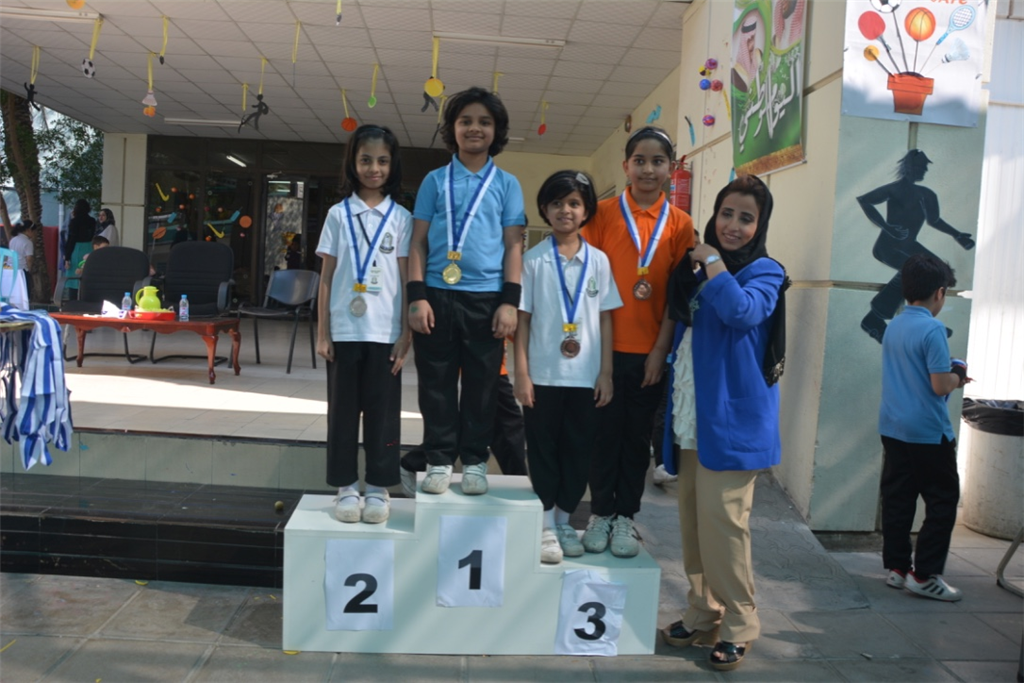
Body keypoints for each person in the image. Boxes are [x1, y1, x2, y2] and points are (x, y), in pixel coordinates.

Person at [660, 174, 788, 672]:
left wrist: (711, 260)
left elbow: (740, 312)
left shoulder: (765, 271)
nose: (733, 225)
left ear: (761, 225)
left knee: (725, 525)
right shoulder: (696, 271)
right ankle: (702, 610)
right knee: (693, 519)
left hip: (734, 420)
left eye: (745, 218)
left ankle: (740, 621)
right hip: (696, 411)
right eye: (726, 214)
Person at [581, 126, 695, 558]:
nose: (648, 169)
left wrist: (660, 351)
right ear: (625, 165)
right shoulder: (601, 213)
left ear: (670, 167)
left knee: (635, 440)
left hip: (649, 354)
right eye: (640, 161)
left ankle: (626, 517)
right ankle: (599, 513)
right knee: (602, 437)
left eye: (658, 161)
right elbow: (586, 283)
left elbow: (676, 298)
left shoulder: (680, 224)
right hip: (602, 352)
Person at [408, 86, 526, 496]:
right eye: (465, 121)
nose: (474, 128)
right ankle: (439, 459)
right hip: (436, 296)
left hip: (487, 299)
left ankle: (475, 461)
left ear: (497, 130)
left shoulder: (506, 184)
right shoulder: (434, 181)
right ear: (452, 128)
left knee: (483, 386)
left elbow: (513, 245)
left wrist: (509, 302)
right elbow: (417, 242)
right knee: (435, 384)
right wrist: (417, 296)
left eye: (484, 122)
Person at [515, 170, 621, 564]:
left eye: (574, 203)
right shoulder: (532, 260)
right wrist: (521, 374)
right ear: (544, 209)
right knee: (542, 450)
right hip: (543, 376)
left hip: (586, 378)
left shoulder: (599, 262)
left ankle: (563, 520)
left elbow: (606, 319)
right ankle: (544, 523)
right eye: (557, 203)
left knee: (578, 451)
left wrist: (605, 372)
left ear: (586, 210)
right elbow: (523, 322)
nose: (566, 210)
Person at [315, 124, 412, 524]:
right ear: (353, 164)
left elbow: (406, 279)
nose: (374, 169)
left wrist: (406, 333)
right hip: (344, 331)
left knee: (383, 414)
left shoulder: (401, 218)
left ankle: (377, 486)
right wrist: (322, 332)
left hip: (385, 332)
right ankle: (345, 486)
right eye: (366, 160)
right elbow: (325, 278)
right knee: (342, 414)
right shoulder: (338, 215)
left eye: (383, 161)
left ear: (392, 165)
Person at [878, 254, 966, 601]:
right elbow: (940, 385)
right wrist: (958, 373)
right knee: (943, 501)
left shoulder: (895, 324)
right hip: (928, 432)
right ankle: (925, 575)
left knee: (898, 499)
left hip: (893, 427)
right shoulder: (932, 329)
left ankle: (898, 568)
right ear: (939, 293)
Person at [858, 149, 975, 343]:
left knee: (939, 271)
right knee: (914, 271)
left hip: (909, 245)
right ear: (909, 168)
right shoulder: (894, 190)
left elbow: (934, 220)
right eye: (921, 167)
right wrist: (887, 227)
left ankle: (916, 322)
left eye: (925, 168)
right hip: (888, 246)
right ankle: (875, 319)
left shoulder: (926, 194)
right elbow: (865, 200)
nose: (924, 171)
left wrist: (957, 234)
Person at [65, 199, 97, 292]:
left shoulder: (74, 221)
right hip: (89, 247)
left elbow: (71, 239)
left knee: (74, 276)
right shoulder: (92, 221)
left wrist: (67, 257)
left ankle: (74, 296)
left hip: (76, 248)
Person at [9, 219, 37, 302]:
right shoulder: (28, 242)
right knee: (24, 293)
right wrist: (29, 269)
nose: (34, 234)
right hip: (22, 270)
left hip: (10, 269)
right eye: (33, 231)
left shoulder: (13, 240)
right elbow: (29, 258)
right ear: (28, 230)